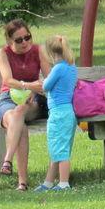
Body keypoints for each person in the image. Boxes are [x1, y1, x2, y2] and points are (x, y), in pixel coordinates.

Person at [0, 19, 50, 191]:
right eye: (19, 40)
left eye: (27, 37)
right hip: (8, 98)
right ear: (9, 41)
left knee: (19, 112)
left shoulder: (38, 50)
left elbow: (49, 78)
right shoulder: (3, 53)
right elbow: (7, 80)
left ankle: (7, 160)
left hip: (33, 100)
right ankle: (22, 183)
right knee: (20, 125)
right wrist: (27, 85)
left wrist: (34, 90)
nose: (25, 42)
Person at [34, 35, 78, 192]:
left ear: (50, 53)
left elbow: (46, 85)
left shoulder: (58, 68)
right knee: (57, 148)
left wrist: (41, 81)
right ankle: (48, 182)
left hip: (58, 113)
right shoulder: (72, 67)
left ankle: (64, 183)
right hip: (68, 112)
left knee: (61, 151)